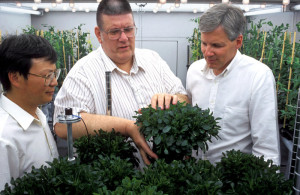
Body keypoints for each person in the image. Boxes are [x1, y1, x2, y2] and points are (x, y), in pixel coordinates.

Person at [54, 0, 188, 166]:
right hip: (111, 181)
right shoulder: (83, 72)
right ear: (98, 34)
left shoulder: (153, 60)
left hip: (163, 174)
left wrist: (172, 100)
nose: (124, 38)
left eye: (128, 29)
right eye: (114, 32)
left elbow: (183, 97)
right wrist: (126, 127)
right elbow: (62, 126)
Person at [186, 4, 280, 165]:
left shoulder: (258, 76)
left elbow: (266, 147)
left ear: (238, 41)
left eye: (216, 45)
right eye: (204, 43)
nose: (207, 52)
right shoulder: (194, 71)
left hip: (233, 182)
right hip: (195, 177)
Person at [0, 34, 60, 190]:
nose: (54, 82)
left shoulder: (36, 113)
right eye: (47, 76)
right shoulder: (5, 138)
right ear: (15, 77)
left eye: (55, 73)